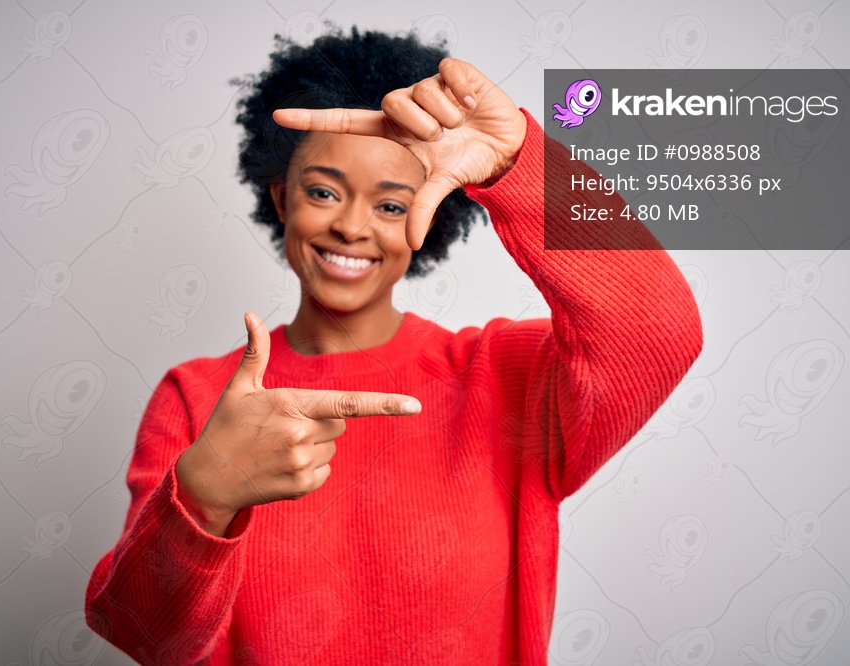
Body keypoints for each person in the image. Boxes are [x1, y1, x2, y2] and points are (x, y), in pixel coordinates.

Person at [85, 26, 702, 665]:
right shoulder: (197, 399)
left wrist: (520, 163)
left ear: (429, 215)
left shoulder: (505, 378)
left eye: (389, 205)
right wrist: (204, 497)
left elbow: (661, 329)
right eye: (323, 191)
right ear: (282, 197)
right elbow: (145, 637)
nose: (352, 226)